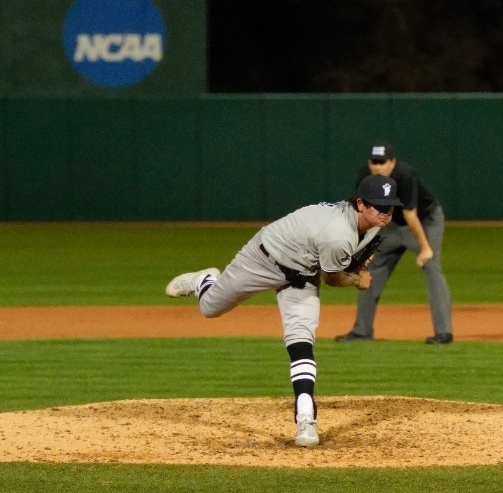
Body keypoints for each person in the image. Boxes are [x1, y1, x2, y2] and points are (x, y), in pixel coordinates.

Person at [164, 174, 403, 447]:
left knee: (301, 339)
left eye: (389, 207)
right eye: (378, 206)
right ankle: (204, 281)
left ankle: (306, 419)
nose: (385, 213)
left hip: (302, 273)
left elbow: (339, 260)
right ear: (361, 204)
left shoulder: (370, 226)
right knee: (209, 308)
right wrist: (357, 280)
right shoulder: (338, 235)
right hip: (264, 258)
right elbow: (332, 278)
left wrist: (351, 265)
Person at [337, 142, 455, 345]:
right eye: (375, 162)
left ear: (393, 162)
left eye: (383, 162)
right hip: (390, 226)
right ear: (369, 163)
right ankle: (361, 332)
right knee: (371, 269)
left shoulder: (404, 175)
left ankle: (444, 333)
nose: (378, 167)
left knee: (431, 265)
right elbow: (364, 214)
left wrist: (425, 249)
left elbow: (411, 215)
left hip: (425, 221)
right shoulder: (365, 176)